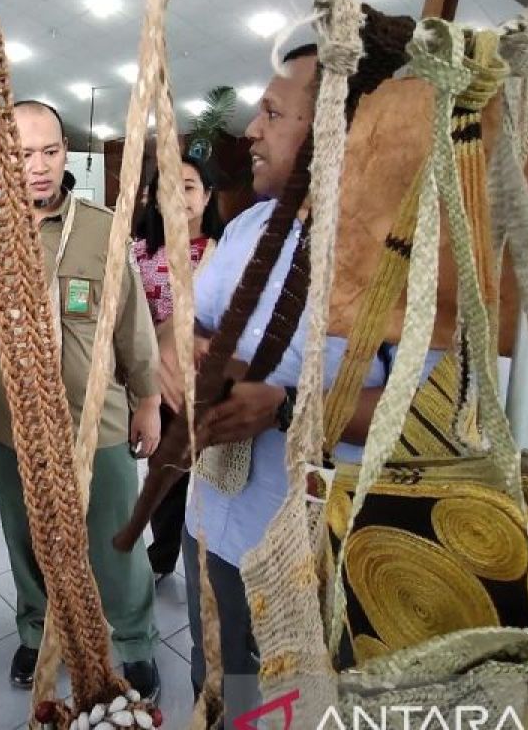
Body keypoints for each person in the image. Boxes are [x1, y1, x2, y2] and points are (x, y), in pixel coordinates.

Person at [165, 45, 390, 717]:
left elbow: (430, 410)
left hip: (316, 551)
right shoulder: (246, 228)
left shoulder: (397, 248)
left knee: (298, 704)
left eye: (271, 113)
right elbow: (189, 323)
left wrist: (289, 408)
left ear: (333, 130)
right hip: (211, 526)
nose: (251, 132)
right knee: (223, 687)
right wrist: (184, 356)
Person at [0, 100, 164, 699]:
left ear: (67, 152)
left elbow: (131, 326)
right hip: (11, 425)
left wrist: (147, 400)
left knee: (114, 538)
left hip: (101, 424)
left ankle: (135, 640)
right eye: (20, 154)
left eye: (49, 150)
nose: (36, 166)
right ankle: (37, 631)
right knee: (27, 536)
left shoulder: (102, 227)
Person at [131, 154, 226, 580]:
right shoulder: (136, 254)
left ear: (207, 196)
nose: (178, 195)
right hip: (154, 387)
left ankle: (216, 562)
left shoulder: (227, 254)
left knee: (215, 478)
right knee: (165, 476)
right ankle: (164, 553)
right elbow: (121, 322)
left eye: (188, 186)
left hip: (211, 388)